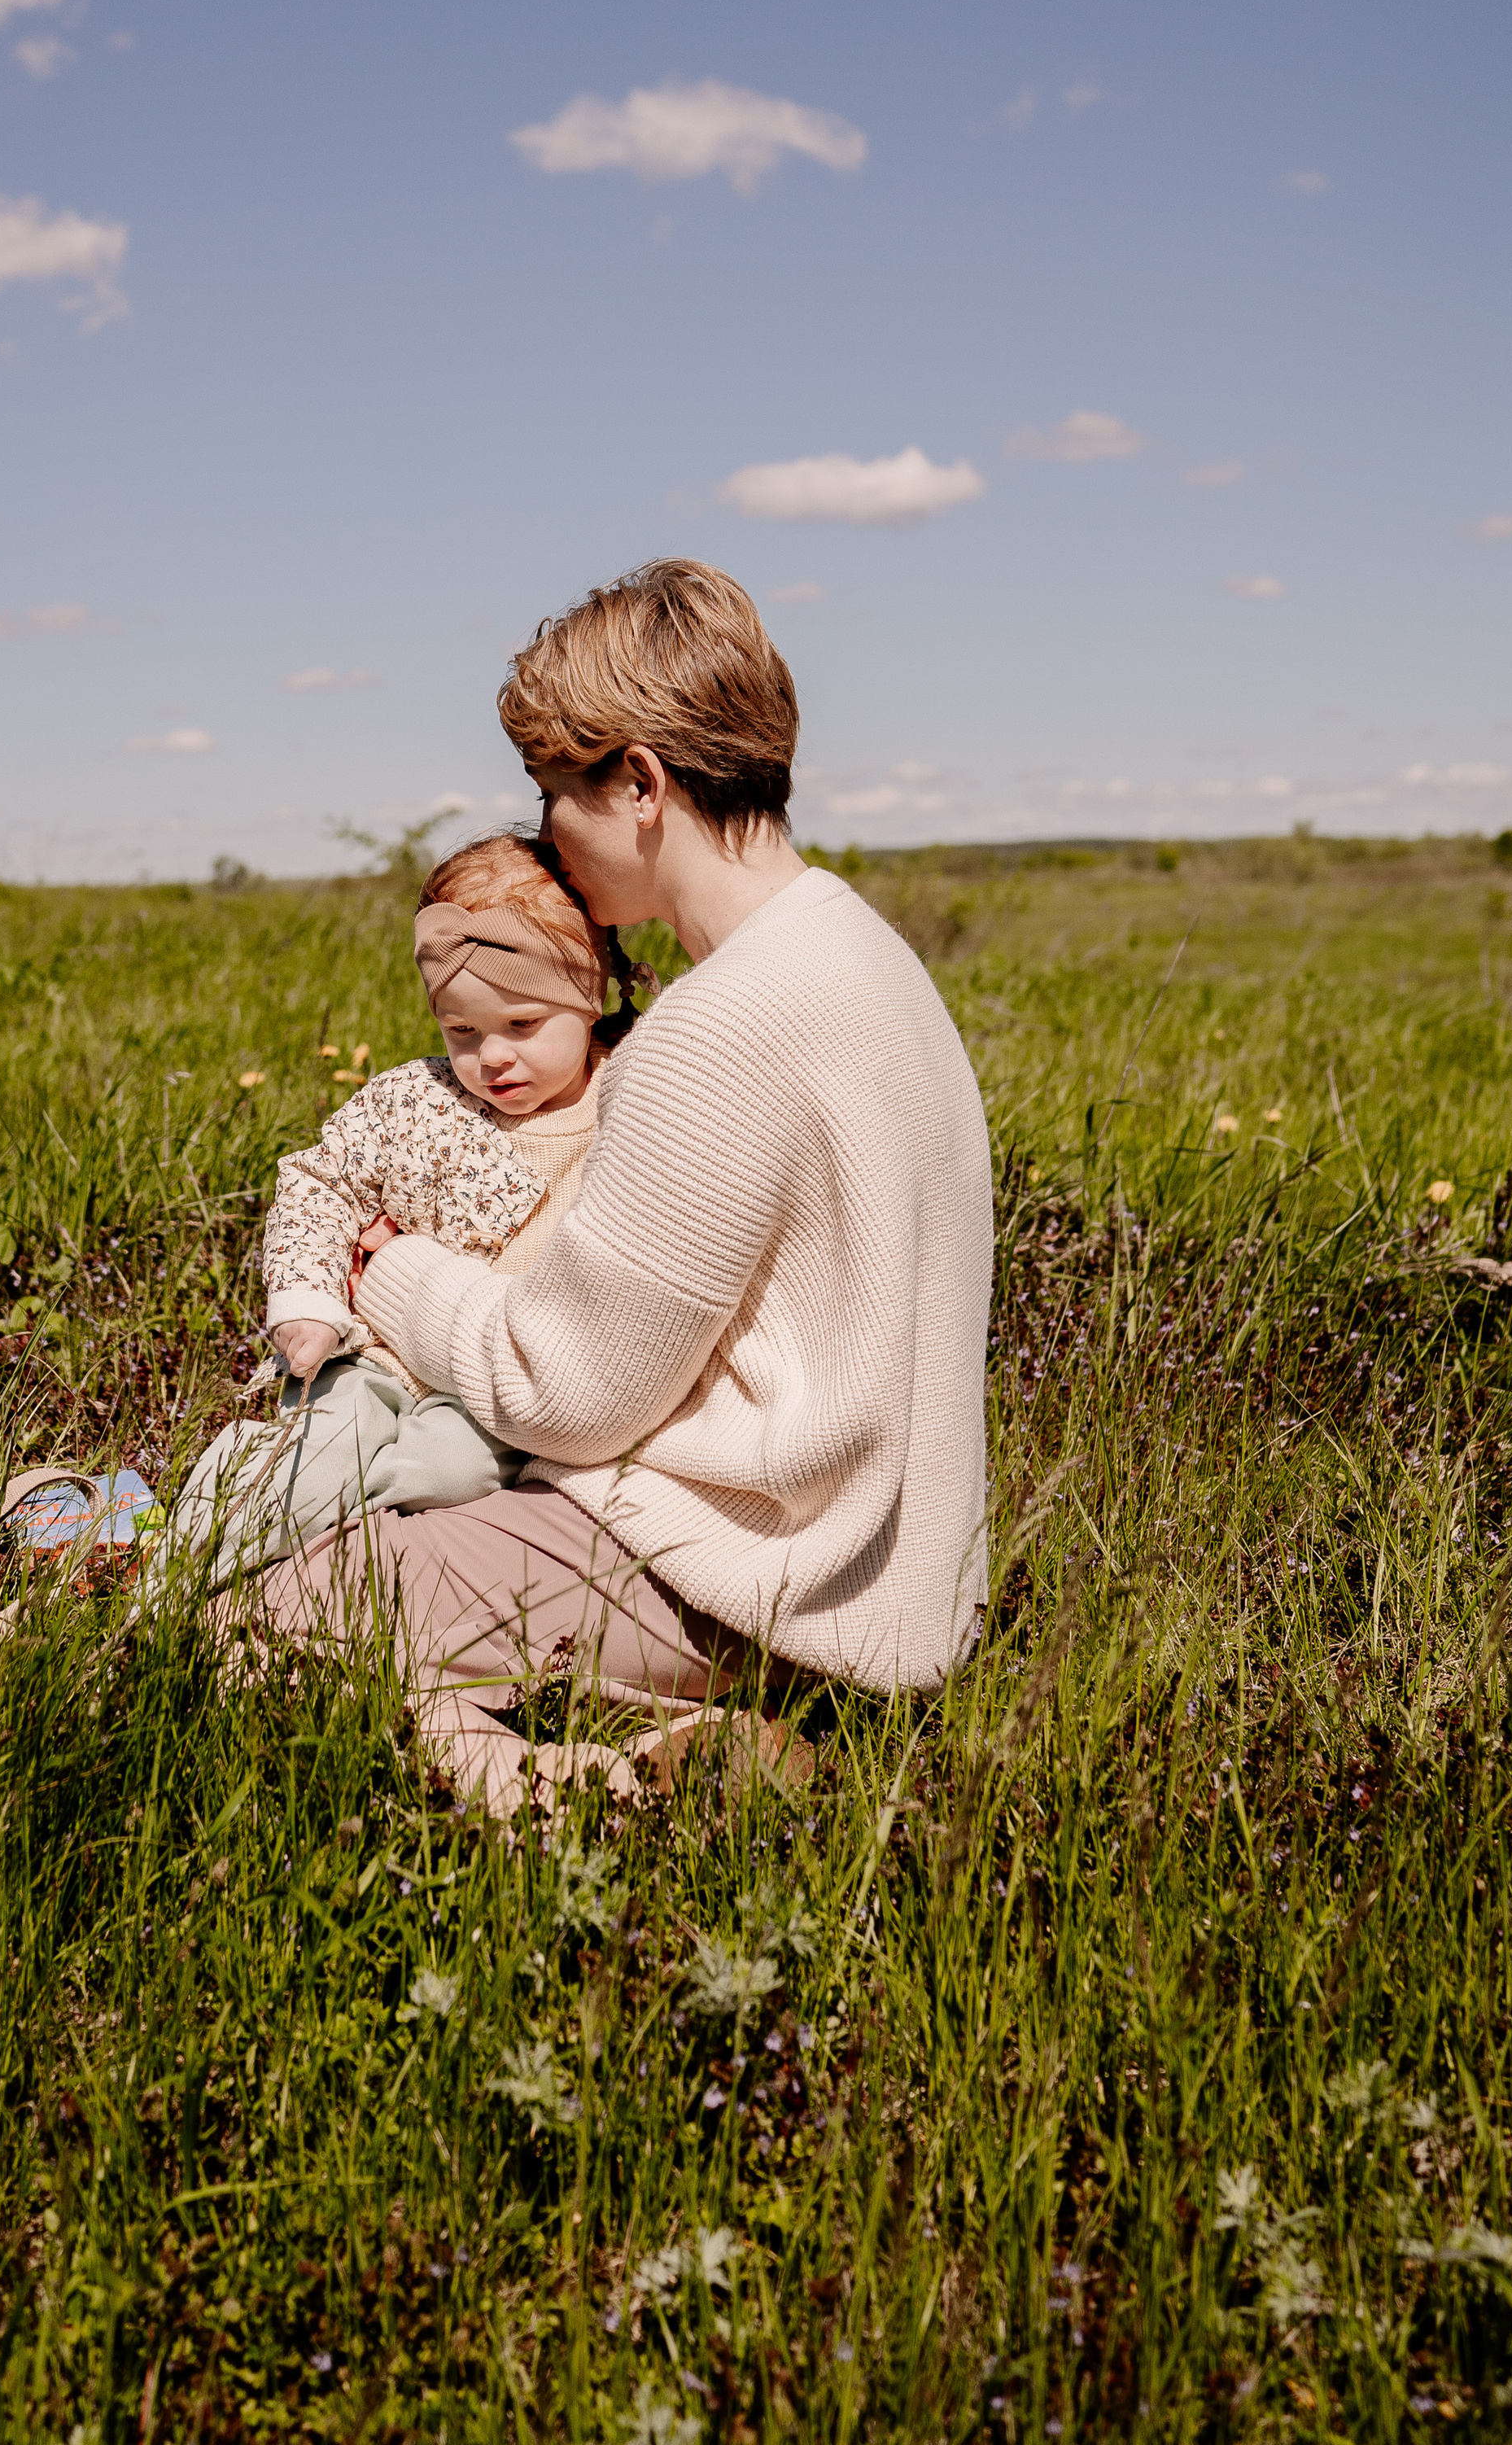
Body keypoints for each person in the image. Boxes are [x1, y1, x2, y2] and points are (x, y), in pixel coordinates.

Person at [251, 558, 995, 1812]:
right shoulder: (870, 958)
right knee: (381, 1616)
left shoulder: (718, 1028)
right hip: (892, 1582)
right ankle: (666, 1750)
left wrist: (396, 1270)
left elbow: (567, 1395)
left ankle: (603, 1792)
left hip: (743, 1579)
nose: (548, 838)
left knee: (254, 1605)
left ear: (641, 785)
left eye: (558, 796)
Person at [159, 833, 644, 1585]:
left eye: (522, 1025)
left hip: (495, 1389)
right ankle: (177, 1576)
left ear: (588, 1000)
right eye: (462, 1031)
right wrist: (308, 1302)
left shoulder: (631, 1105)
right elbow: (320, 1184)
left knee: (456, 1473)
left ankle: (341, 1532)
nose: (492, 1057)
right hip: (375, 1353)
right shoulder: (413, 1099)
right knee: (327, 1443)